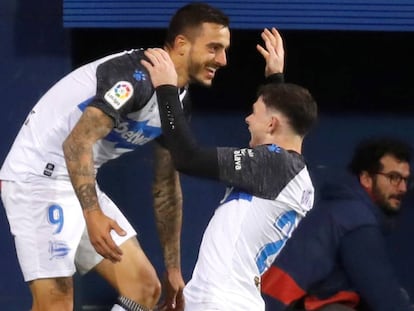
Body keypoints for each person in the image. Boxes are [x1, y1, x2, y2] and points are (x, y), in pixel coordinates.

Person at [0, 3, 230, 311]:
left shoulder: (177, 102)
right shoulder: (134, 76)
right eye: (214, 48)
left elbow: (165, 187)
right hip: (38, 178)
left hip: (78, 180)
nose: (223, 59)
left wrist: (173, 267)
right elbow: (76, 143)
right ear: (181, 44)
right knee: (55, 302)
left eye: (225, 49)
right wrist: (93, 214)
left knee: (145, 288)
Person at [140, 26, 318, 311]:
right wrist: (275, 79)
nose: (248, 119)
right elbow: (280, 117)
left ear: (271, 124)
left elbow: (187, 158)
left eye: (254, 112)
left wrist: (167, 90)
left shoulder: (275, 164)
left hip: (220, 303)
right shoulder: (291, 172)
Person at [260, 137, 414, 311]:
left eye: (405, 180)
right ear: (366, 179)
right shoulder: (355, 218)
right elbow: (385, 296)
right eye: (393, 177)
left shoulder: (340, 209)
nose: (402, 188)